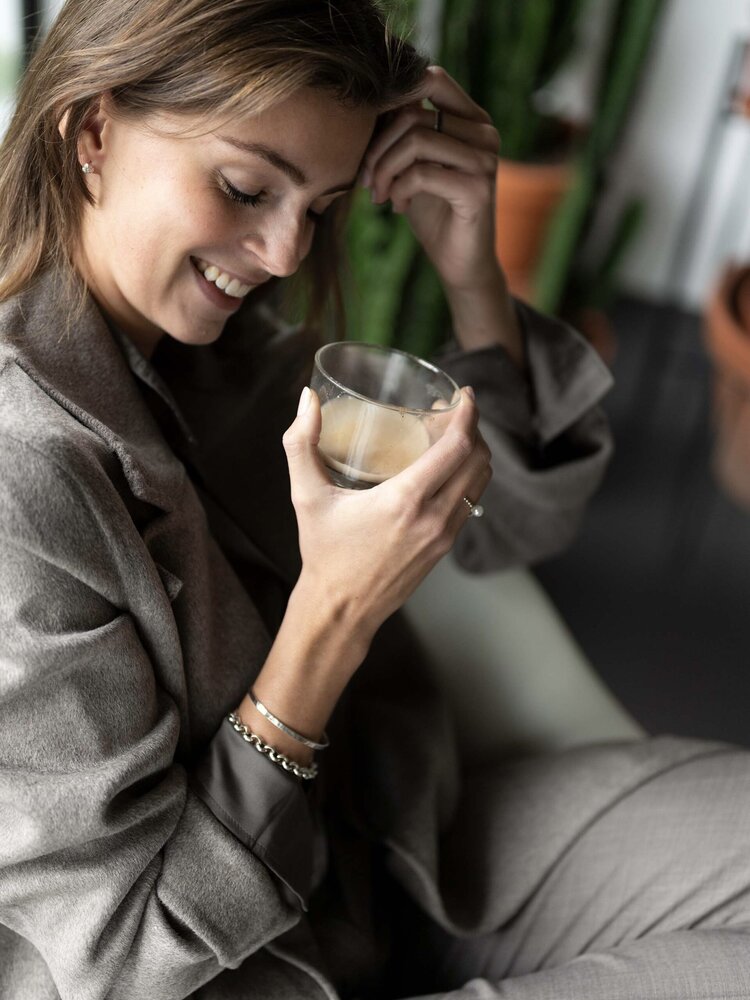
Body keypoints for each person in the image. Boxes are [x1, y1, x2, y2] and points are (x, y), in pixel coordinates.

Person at [2, 2, 750, 999]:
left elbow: (516, 530)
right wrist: (332, 617)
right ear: (92, 130)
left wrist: (471, 271)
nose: (282, 254)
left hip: (401, 854)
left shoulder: (214, 353)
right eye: (244, 188)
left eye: (318, 206)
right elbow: (124, 958)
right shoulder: (25, 474)